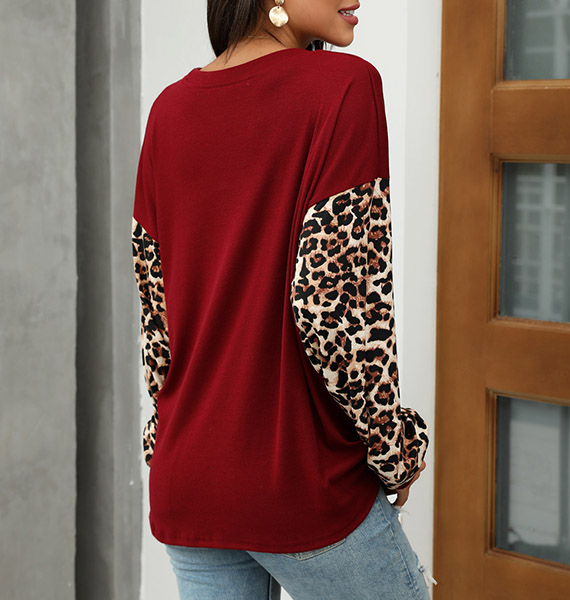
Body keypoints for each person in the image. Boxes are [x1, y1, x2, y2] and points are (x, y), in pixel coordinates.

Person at [131, 1, 432, 598]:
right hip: (298, 480)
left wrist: (166, 440)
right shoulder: (343, 87)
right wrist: (393, 448)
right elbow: (335, 309)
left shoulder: (170, 108)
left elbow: (156, 317)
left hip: (188, 476)